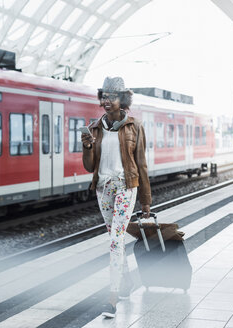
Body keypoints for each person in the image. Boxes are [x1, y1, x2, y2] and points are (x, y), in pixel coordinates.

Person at [81, 77, 151, 318]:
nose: (107, 100)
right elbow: (90, 167)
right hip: (103, 188)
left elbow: (141, 164)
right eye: (104, 96)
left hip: (126, 186)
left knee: (115, 240)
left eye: (112, 96)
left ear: (123, 100)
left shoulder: (135, 127)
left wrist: (146, 201)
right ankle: (128, 281)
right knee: (115, 238)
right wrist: (88, 147)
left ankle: (112, 296)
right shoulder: (95, 128)